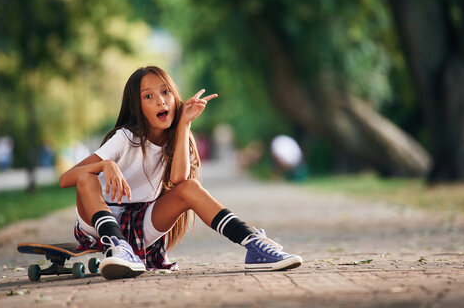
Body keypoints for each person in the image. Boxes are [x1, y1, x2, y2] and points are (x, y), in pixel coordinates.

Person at [59, 66, 302, 280]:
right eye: (149, 96)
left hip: (142, 224)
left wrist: (184, 124)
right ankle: (118, 246)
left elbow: (179, 180)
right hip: (100, 219)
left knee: (189, 188)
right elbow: (66, 178)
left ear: (175, 96)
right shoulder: (125, 138)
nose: (161, 101)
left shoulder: (178, 137)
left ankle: (253, 244)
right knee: (85, 178)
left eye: (165, 92)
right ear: (137, 106)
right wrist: (105, 165)